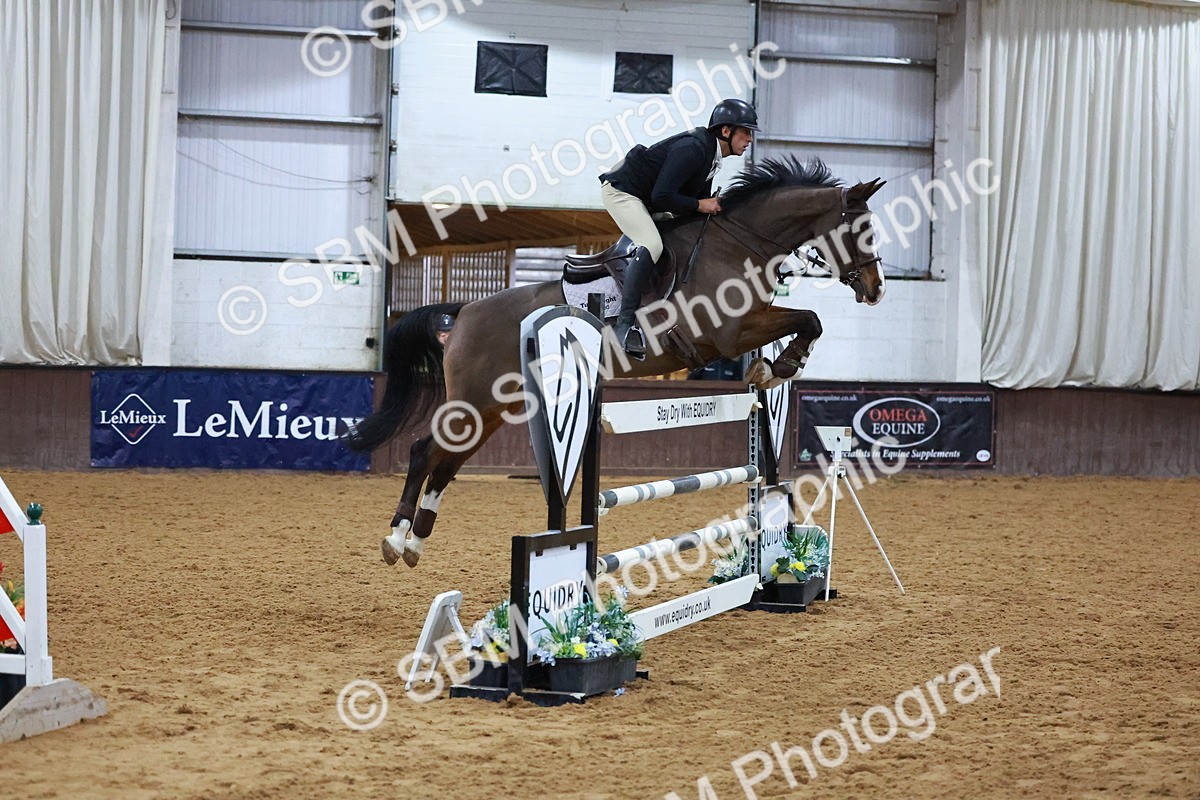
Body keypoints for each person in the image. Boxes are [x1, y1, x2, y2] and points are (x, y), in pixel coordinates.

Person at [598, 98, 758, 359]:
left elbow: (692, 204)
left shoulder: (711, 156)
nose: (750, 139)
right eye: (746, 132)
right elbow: (663, 196)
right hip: (623, 193)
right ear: (726, 130)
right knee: (652, 244)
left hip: (647, 198)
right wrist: (701, 205)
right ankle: (624, 325)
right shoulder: (694, 149)